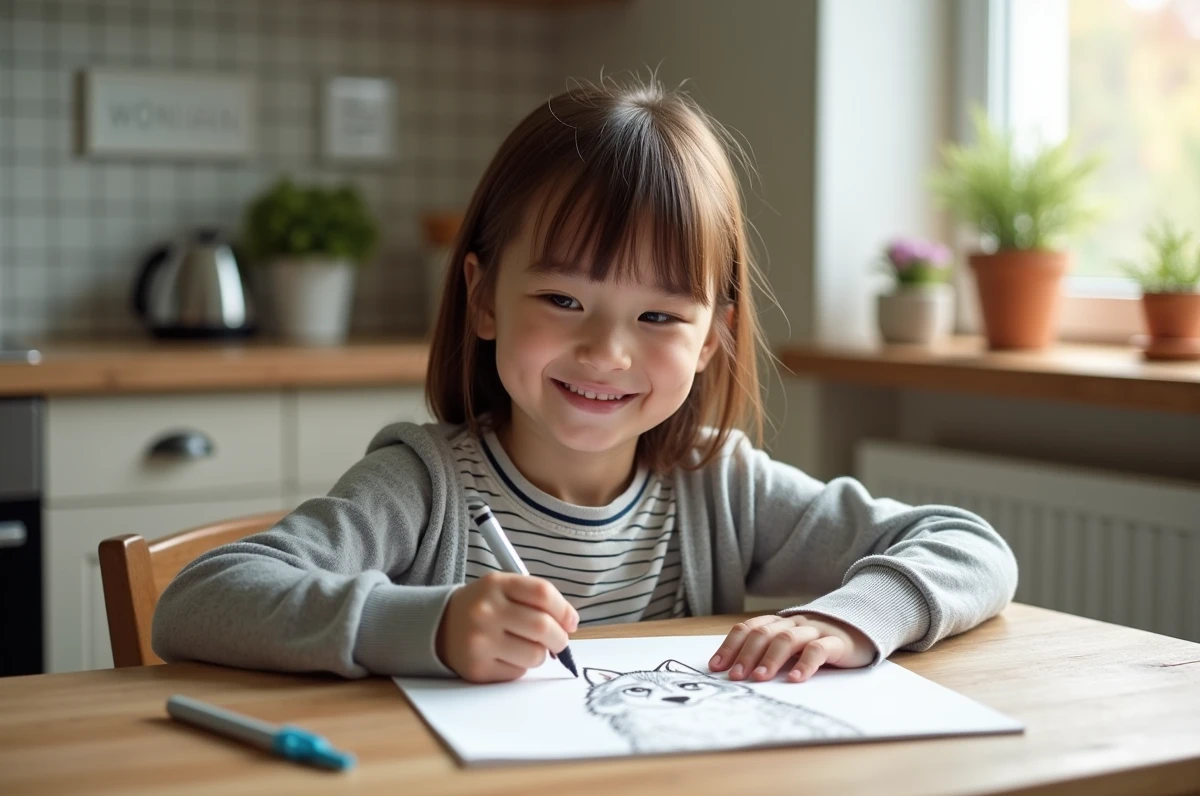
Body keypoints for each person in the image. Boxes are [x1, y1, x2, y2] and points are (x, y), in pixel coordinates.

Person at [153, 78, 1017, 685]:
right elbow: (200, 601)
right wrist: (431, 627)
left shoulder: (721, 485)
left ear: (714, 336)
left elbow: (971, 547)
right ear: (483, 297)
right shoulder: (421, 486)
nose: (607, 351)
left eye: (658, 317)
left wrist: (848, 620)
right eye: (564, 299)